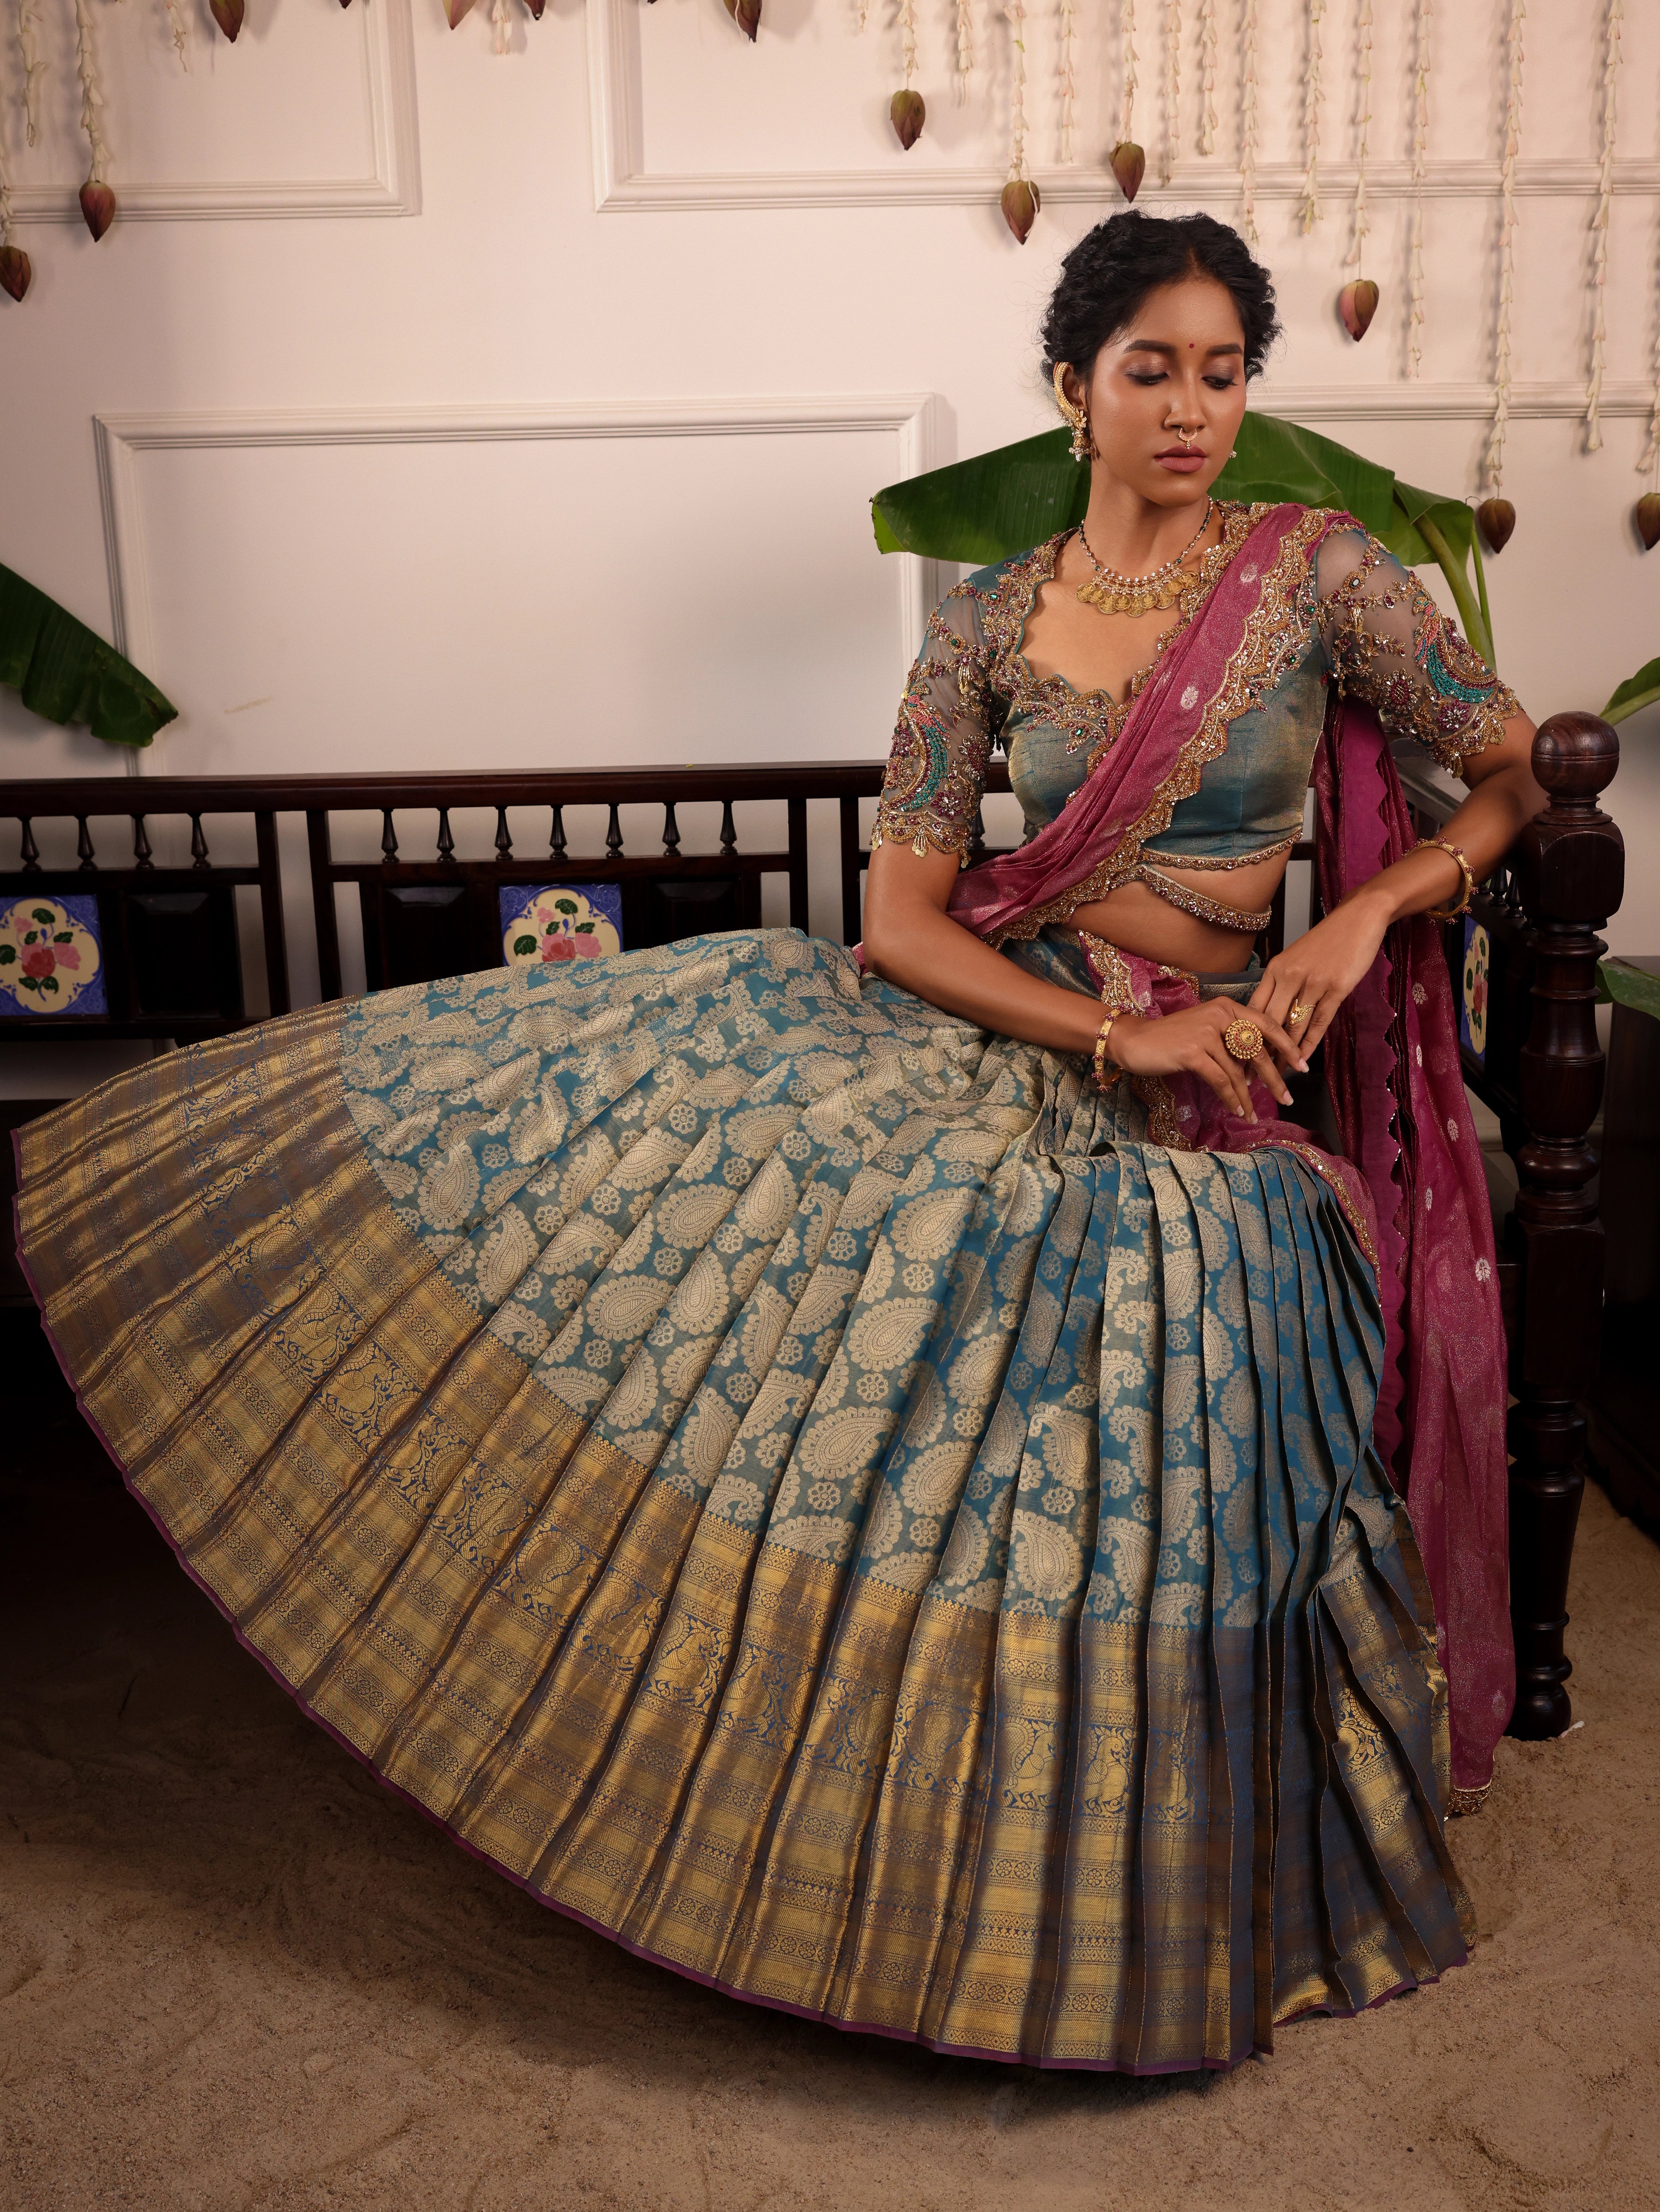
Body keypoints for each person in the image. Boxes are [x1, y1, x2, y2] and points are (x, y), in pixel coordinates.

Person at [17, 212, 1539, 2078]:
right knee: (736, 1210)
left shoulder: (1317, 574)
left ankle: (1094, 1866)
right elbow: (903, 922)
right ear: (1072, 387)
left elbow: (1515, 764)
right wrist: (1112, 1025)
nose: (1195, 408)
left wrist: (1359, 916)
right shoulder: (984, 618)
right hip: (1030, 1016)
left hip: (1210, 1077)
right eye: (1153, 367)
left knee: (1176, 1291)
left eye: (1226, 370)